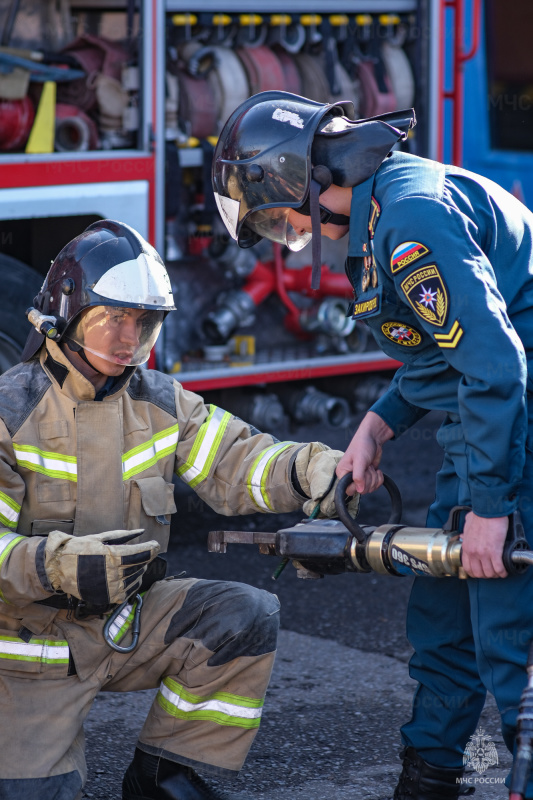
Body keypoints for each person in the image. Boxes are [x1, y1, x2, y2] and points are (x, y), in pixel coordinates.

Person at [212, 90, 533, 798]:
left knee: (509, 642)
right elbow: (440, 354)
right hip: (487, 427)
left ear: (302, 182)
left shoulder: (411, 221)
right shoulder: (385, 205)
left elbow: (494, 365)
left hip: (514, 431)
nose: (286, 234)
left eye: (274, 215)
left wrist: (489, 508)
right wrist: (377, 422)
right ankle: (428, 780)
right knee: (443, 624)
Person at [0, 218, 358, 800]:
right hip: (31, 648)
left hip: (128, 620)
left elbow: (242, 461)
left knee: (244, 614)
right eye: (112, 318)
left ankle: (161, 777)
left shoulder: (161, 402)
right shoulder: (10, 413)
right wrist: (59, 565)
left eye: (142, 324)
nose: (126, 340)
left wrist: (312, 470)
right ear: (65, 315)